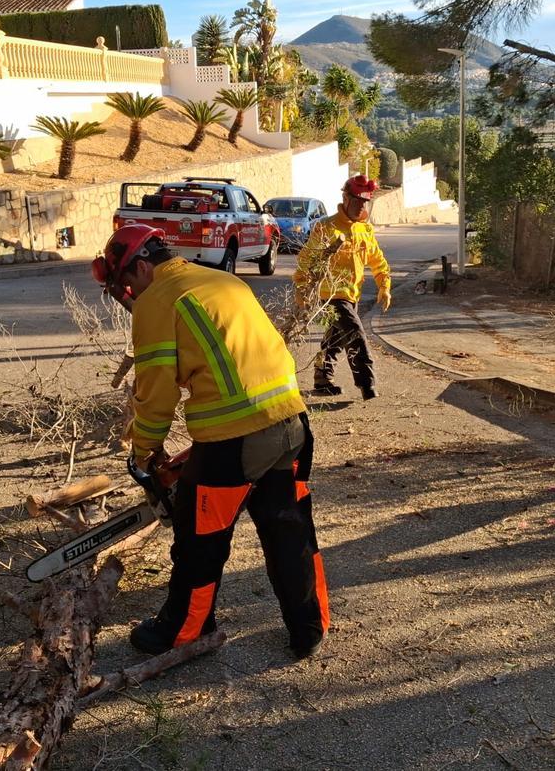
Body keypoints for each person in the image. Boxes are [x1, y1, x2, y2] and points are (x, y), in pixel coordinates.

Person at [91, 224, 330, 659]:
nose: (129, 295)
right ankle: (309, 626)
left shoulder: (158, 301)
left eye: (127, 283)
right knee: (289, 530)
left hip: (233, 440)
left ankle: (186, 629)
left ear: (142, 266)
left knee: (199, 539)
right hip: (291, 424)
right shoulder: (222, 279)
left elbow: (158, 391)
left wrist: (144, 448)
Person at [293, 175, 392, 400]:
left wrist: (384, 286)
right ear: (346, 198)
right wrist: (301, 287)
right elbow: (307, 259)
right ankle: (367, 384)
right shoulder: (326, 227)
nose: (362, 206)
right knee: (355, 334)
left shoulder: (364, 230)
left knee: (334, 340)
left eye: (365, 202)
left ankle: (322, 378)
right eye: (357, 201)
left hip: (351, 295)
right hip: (330, 296)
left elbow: (378, 261)